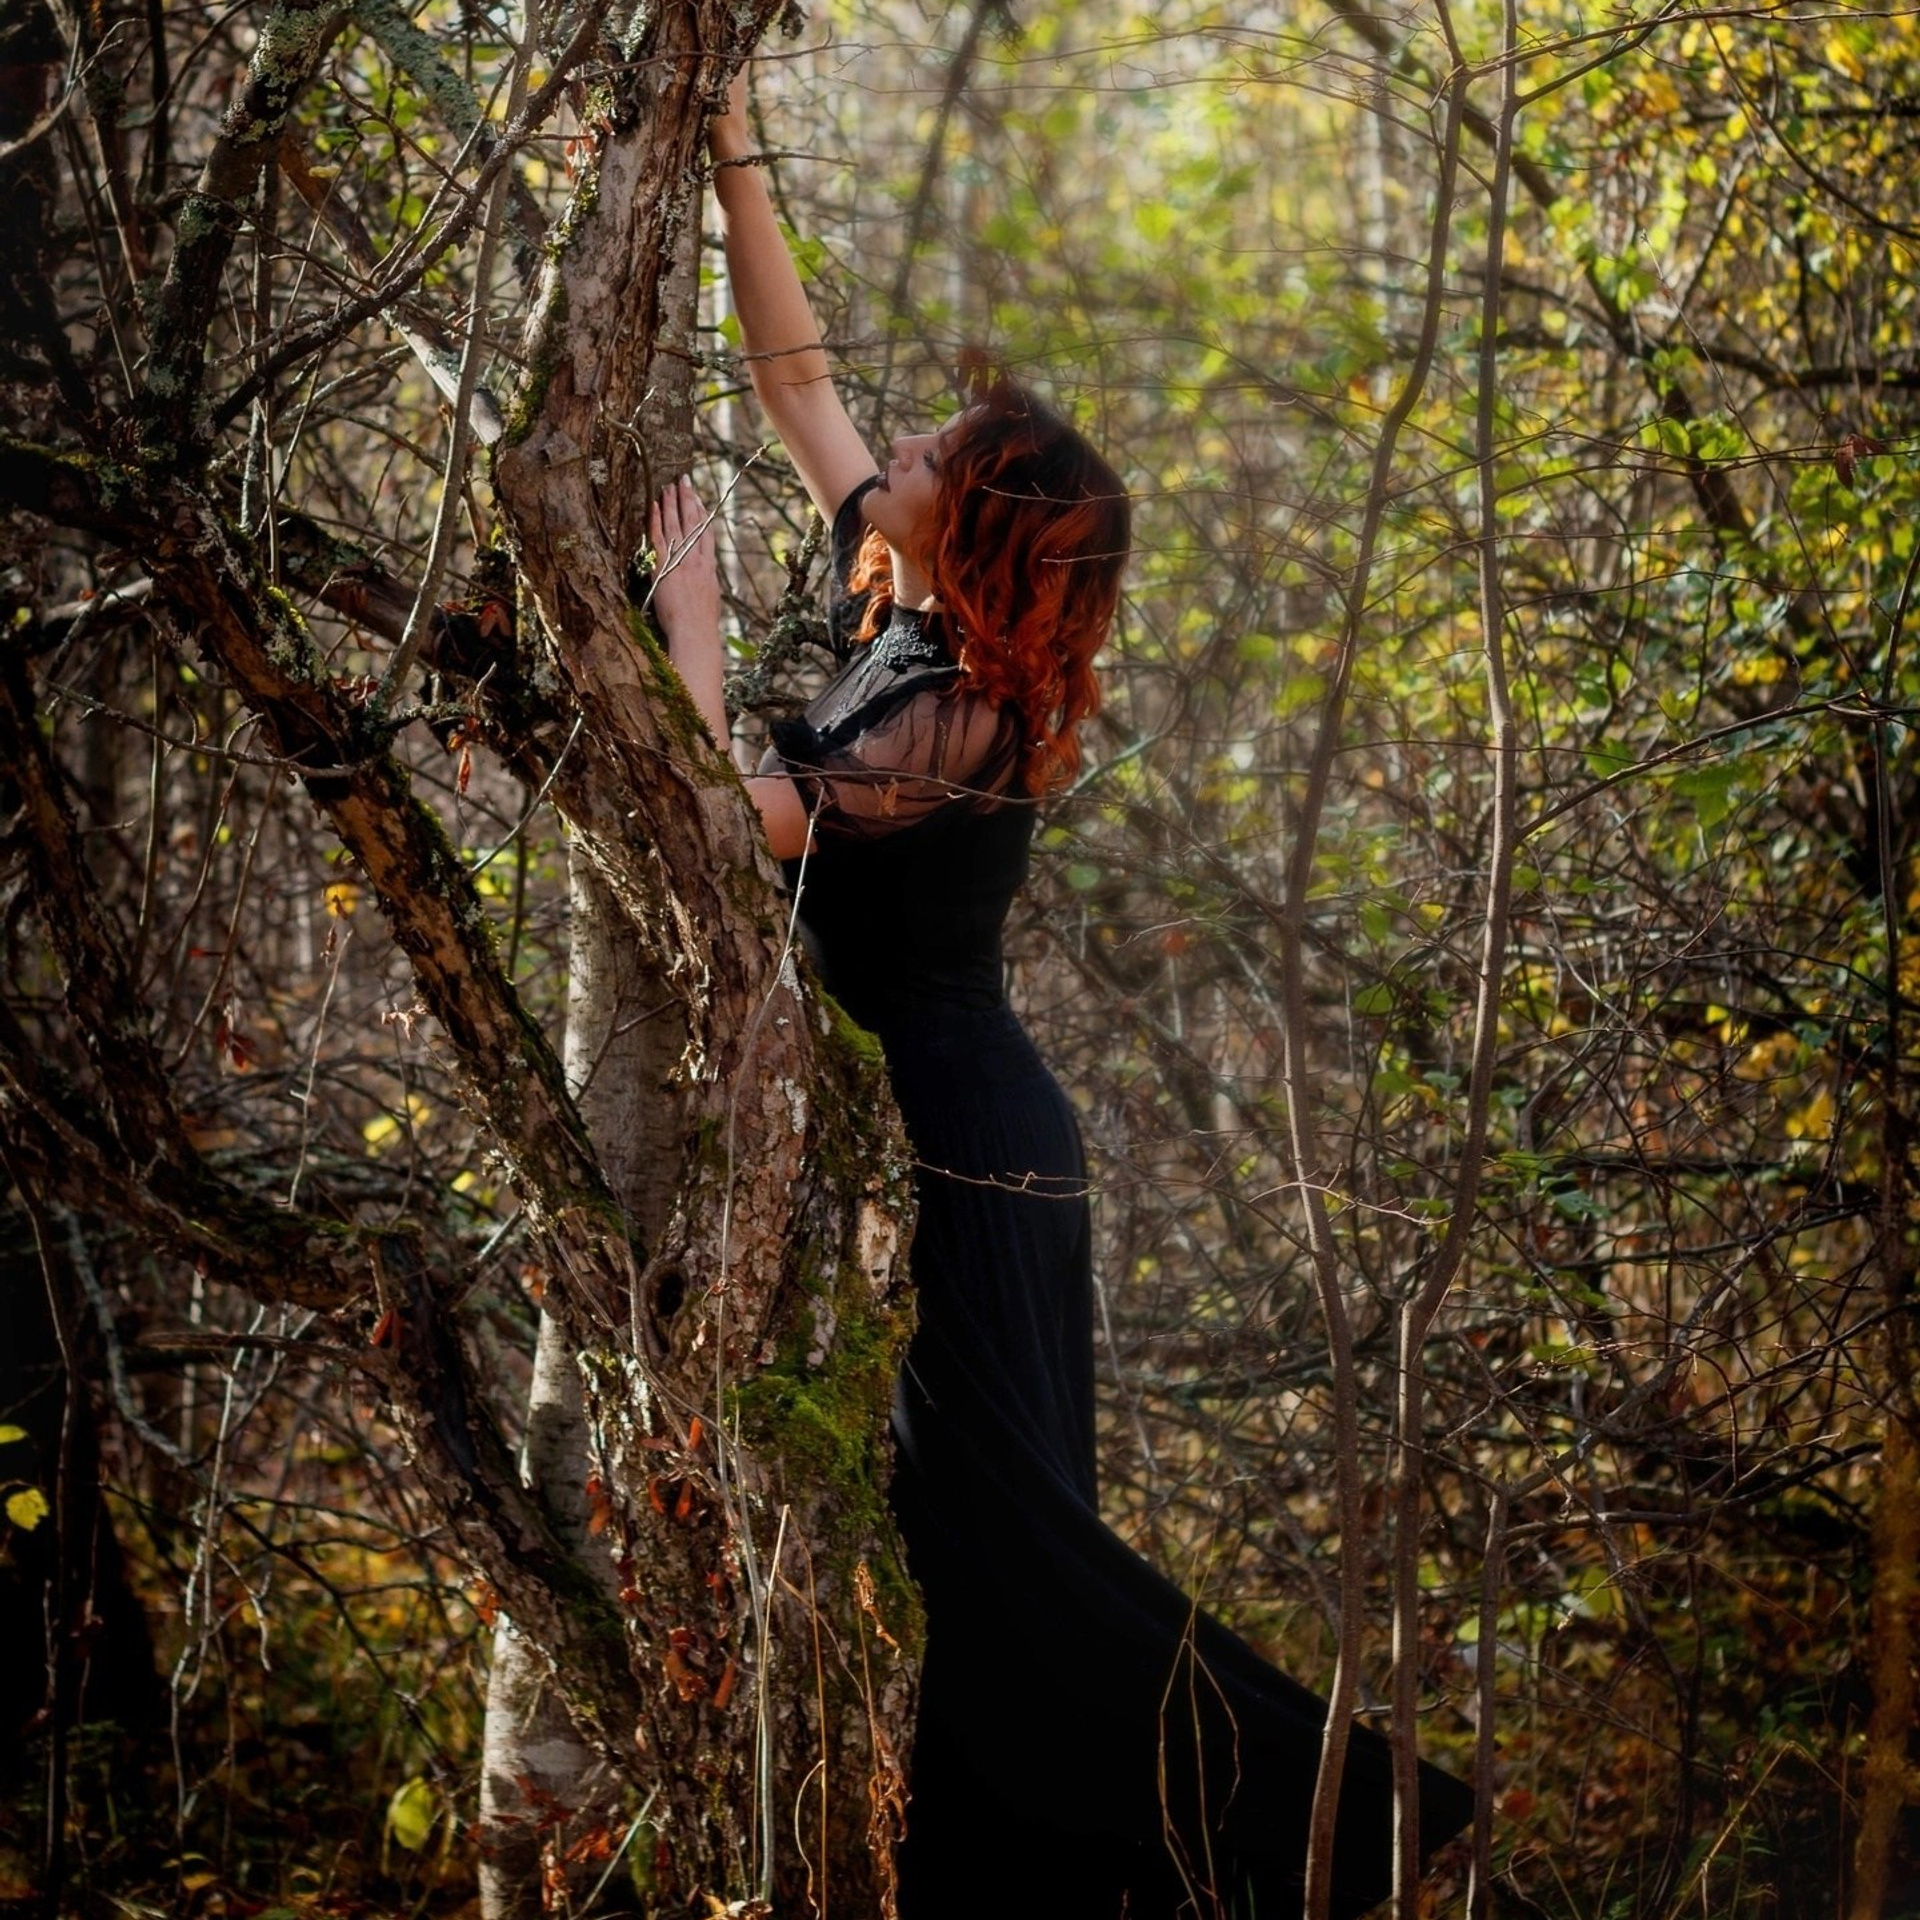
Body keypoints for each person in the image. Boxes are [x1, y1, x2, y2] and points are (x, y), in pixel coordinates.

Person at [642, 70, 1474, 1920]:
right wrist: (728, 149)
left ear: (983, 528)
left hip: (973, 1149)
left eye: (935, 453)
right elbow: (797, 389)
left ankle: (1345, 1829)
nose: (899, 448)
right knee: (973, 1548)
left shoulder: (959, 716)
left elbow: (705, 821)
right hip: (939, 1128)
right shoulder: (915, 633)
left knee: (1001, 1549)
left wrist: (692, 634)